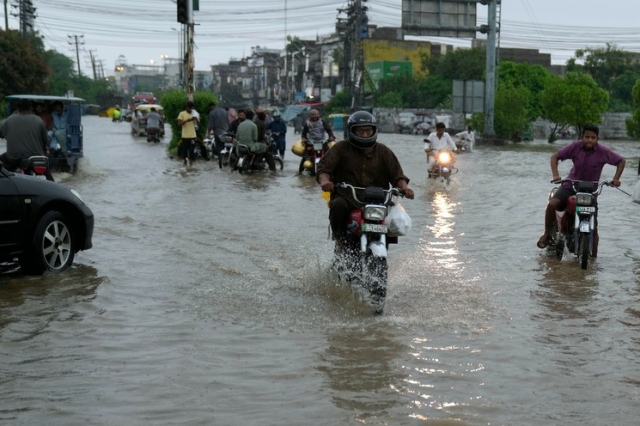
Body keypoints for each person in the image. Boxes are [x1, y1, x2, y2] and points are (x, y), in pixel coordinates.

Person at [316, 111, 414, 254]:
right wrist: (325, 182)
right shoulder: (340, 148)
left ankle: (382, 243)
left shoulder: (383, 151)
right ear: (352, 131)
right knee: (337, 205)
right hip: (348, 197)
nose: (365, 134)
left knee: (391, 217)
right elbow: (324, 169)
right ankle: (341, 241)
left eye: (368, 130)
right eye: (360, 130)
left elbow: (397, 175)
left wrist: (405, 188)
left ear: (374, 130)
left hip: (377, 200)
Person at [537, 124, 625, 257]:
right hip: (570, 186)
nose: (590, 140)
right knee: (552, 204)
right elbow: (555, 157)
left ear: (597, 138)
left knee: (594, 226)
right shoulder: (574, 147)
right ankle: (547, 234)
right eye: (587, 137)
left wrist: (616, 179)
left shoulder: (603, 151)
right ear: (582, 137)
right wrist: (555, 175)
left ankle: (594, 258)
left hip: (590, 192)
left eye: (593, 138)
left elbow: (621, 161)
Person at [0, 98, 54, 181]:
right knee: (49, 177)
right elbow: (46, 141)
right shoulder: (38, 120)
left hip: (14, 158)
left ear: (18, 109)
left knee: (3, 169)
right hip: (36, 157)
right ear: (31, 108)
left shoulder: (10, 119)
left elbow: (1, 134)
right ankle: (56, 190)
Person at [177, 101, 199, 165]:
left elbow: (199, 124)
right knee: (185, 150)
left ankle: (191, 164)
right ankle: (185, 160)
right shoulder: (182, 114)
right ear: (186, 107)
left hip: (193, 135)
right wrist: (187, 120)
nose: (190, 110)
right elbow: (179, 124)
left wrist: (196, 119)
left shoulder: (195, 114)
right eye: (189, 108)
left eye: (191, 108)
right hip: (185, 136)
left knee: (192, 151)